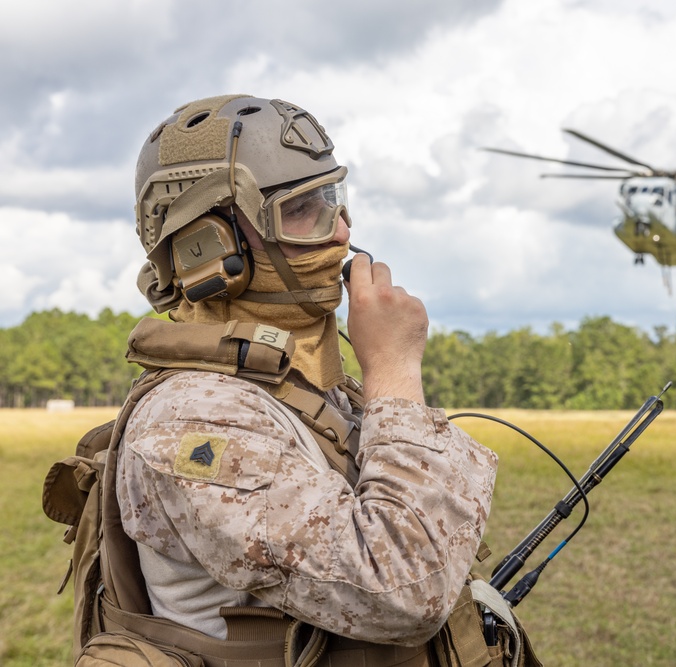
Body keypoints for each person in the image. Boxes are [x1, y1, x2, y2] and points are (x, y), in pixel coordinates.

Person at [108, 94, 521, 665]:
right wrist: (395, 372)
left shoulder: (283, 381)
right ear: (208, 245)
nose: (340, 233)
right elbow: (403, 590)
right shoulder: (191, 420)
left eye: (336, 201)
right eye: (302, 210)